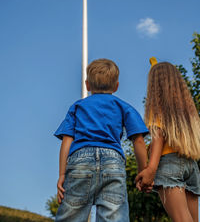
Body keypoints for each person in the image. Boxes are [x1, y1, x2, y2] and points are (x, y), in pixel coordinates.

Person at [54, 58, 149, 222]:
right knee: (114, 216)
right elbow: (138, 140)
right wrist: (143, 171)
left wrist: (62, 174)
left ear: (87, 85)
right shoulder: (123, 106)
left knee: (70, 217)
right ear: (116, 86)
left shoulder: (77, 107)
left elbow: (66, 142)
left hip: (79, 162)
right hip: (113, 162)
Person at [135, 58, 200, 222]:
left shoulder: (157, 107)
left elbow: (159, 135)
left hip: (169, 165)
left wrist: (151, 168)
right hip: (191, 165)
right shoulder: (187, 113)